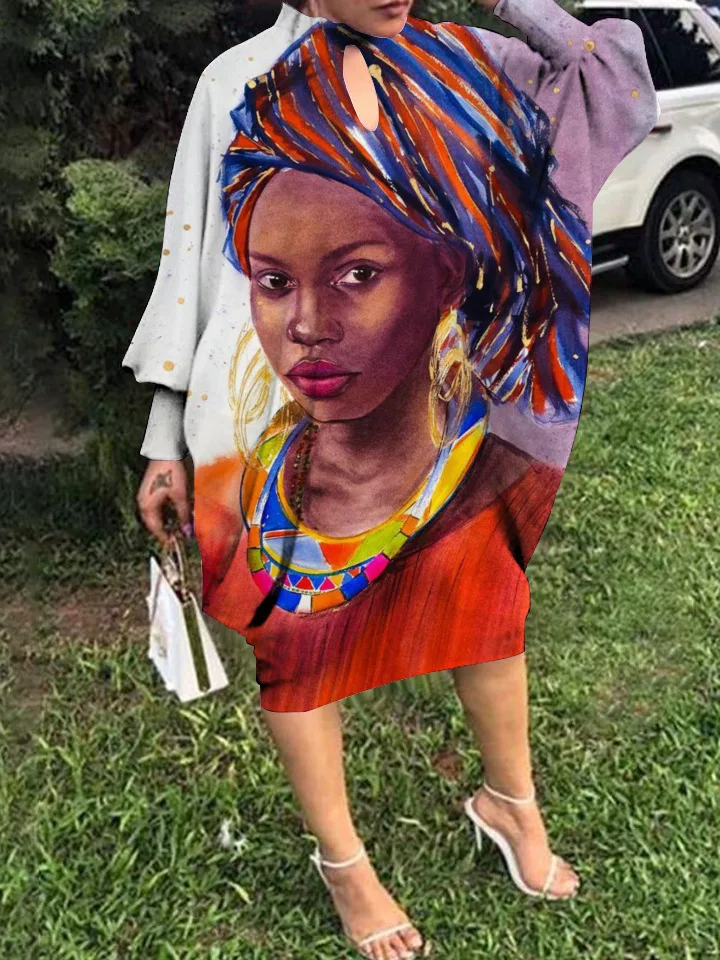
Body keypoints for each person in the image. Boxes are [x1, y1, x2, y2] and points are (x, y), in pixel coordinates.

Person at [123, 1, 660, 957]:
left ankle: (511, 803)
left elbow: (609, 83)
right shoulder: (233, 82)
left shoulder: (461, 66)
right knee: (297, 651)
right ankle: (346, 866)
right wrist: (165, 436)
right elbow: (192, 268)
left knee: (486, 609)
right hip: (253, 437)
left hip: (441, 425)